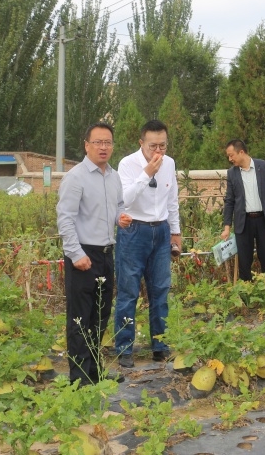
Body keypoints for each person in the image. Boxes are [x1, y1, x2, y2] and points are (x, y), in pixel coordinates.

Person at [57, 122, 131, 385]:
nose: (103, 147)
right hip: (83, 254)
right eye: (98, 142)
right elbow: (65, 218)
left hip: (106, 254)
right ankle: (79, 379)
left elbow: (119, 206)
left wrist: (121, 218)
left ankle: (94, 371)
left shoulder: (113, 176)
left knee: (99, 316)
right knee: (80, 318)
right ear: (86, 145)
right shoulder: (75, 177)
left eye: (108, 142)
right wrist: (75, 254)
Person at [114, 120, 181, 368]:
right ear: (141, 143)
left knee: (160, 291)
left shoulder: (170, 163)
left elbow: (172, 200)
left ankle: (160, 346)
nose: (158, 151)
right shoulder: (127, 164)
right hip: (133, 231)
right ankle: (124, 348)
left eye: (163, 145)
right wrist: (147, 173)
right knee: (128, 291)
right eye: (153, 146)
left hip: (161, 231)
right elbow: (125, 200)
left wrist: (175, 232)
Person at [221, 139, 265, 281]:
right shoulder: (232, 173)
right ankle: (246, 292)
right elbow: (230, 200)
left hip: (264, 221)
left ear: (241, 152)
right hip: (244, 223)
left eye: (231, 155)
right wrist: (227, 227)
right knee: (244, 263)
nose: (230, 159)